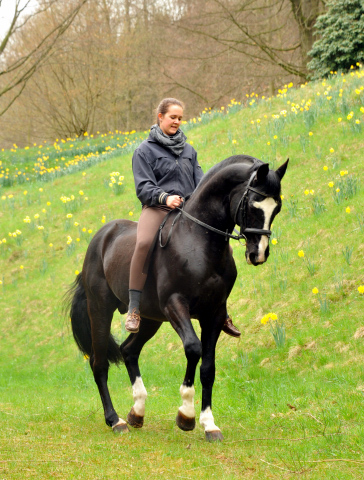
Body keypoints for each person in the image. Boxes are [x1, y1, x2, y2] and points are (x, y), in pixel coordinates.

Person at [125, 98, 241, 338]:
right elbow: (143, 186)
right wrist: (164, 198)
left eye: (180, 118)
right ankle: (134, 308)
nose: (177, 122)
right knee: (144, 243)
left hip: (189, 211)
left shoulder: (189, 150)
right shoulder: (144, 151)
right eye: (172, 117)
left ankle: (222, 311)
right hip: (158, 208)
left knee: (224, 251)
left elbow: (201, 183)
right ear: (160, 117)